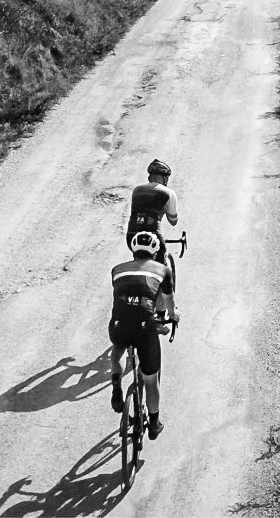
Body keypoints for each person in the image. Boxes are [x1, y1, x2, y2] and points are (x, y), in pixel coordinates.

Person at [109, 230, 176, 439]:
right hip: (144, 328)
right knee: (150, 380)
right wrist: (173, 317)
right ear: (155, 250)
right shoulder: (163, 270)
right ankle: (154, 425)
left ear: (133, 249)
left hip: (118, 324)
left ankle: (116, 386)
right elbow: (168, 302)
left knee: (118, 347)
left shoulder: (117, 270)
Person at [125, 159, 179, 265]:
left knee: (138, 260)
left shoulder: (137, 190)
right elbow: (173, 221)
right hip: (154, 235)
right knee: (161, 268)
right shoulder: (169, 193)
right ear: (165, 178)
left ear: (149, 177)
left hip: (132, 236)